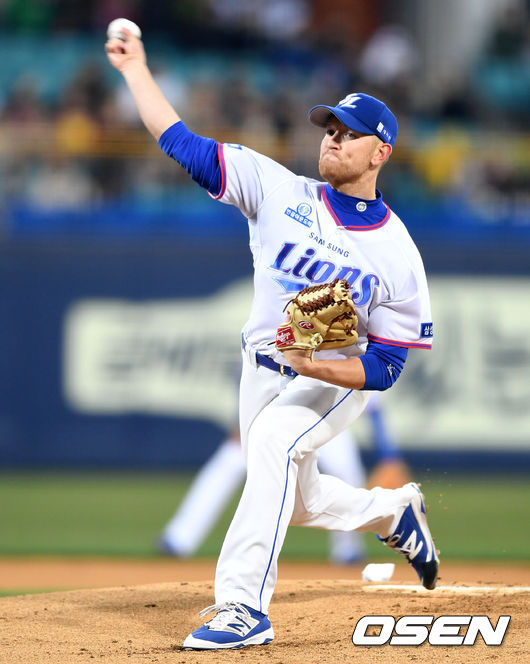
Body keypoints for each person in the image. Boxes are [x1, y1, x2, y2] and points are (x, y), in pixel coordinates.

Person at [106, 29, 439, 651]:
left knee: (271, 445)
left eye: (349, 132)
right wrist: (135, 71)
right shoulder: (278, 190)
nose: (332, 138)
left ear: (381, 152)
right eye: (329, 128)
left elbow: (388, 365)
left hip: (331, 379)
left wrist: (317, 365)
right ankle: (393, 513)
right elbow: (179, 142)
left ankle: (243, 606)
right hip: (258, 370)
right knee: (298, 498)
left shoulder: (399, 254)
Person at [158, 393, 410, 564]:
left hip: (324, 422)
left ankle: (348, 550)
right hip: (270, 419)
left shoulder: (347, 343)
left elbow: (374, 404)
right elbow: (249, 376)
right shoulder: (271, 333)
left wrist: (388, 455)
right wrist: (242, 422)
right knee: (228, 464)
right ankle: (179, 538)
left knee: (347, 471)